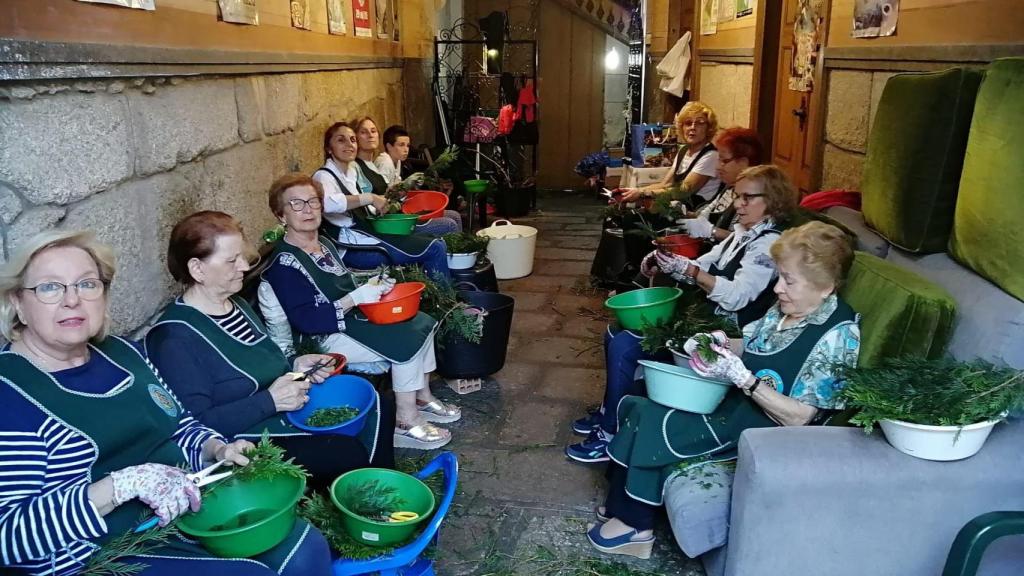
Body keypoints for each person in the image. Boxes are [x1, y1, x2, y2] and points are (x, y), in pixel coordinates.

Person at [0, 230, 331, 575]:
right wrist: (119, 486)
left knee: (302, 544)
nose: (72, 300)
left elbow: (180, 424)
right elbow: (7, 537)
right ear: (18, 304)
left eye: (87, 284)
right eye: (50, 287)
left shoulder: (124, 353)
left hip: (182, 510)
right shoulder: (10, 394)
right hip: (95, 557)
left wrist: (215, 449)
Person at [585, 221, 861, 559]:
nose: (777, 289)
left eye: (789, 280)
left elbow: (802, 418)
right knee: (642, 400)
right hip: (739, 403)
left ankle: (635, 526)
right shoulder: (788, 307)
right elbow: (752, 342)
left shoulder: (838, 335)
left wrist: (744, 379)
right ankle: (621, 505)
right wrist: (721, 343)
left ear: (826, 287)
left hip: (767, 429)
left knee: (657, 419)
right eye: (779, 277)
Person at [146, 211, 396, 492]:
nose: (243, 266)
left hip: (280, 406)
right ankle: (367, 503)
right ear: (197, 269)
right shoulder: (174, 337)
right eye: (231, 260)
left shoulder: (236, 304)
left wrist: (296, 365)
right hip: (238, 441)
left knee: (379, 402)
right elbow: (196, 423)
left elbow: (263, 360)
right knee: (342, 452)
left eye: (242, 256)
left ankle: (382, 494)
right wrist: (270, 401)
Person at [567, 165, 798, 464]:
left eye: (746, 198)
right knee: (615, 333)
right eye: (736, 197)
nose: (737, 204)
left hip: (726, 337)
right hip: (703, 319)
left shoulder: (768, 245)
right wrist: (668, 261)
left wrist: (688, 270)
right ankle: (609, 411)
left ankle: (611, 434)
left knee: (626, 346)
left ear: (773, 200)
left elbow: (737, 296)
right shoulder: (742, 233)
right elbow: (705, 262)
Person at [261, 173, 461, 450]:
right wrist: (355, 299)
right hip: (321, 338)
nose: (307, 209)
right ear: (281, 215)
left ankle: (422, 396)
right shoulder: (285, 264)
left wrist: (371, 284)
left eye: (313, 201)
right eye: (296, 204)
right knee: (403, 338)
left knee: (420, 320)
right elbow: (307, 320)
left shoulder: (325, 244)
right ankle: (405, 421)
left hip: (348, 319)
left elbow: (342, 282)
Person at [314, 121, 450, 276]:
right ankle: (446, 299)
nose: (349, 144)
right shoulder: (323, 176)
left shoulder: (350, 174)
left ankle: (437, 295)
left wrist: (382, 204)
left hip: (367, 234)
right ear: (328, 148)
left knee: (434, 240)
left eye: (352, 140)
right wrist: (370, 198)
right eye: (341, 140)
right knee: (435, 247)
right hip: (352, 247)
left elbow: (363, 209)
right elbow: (328, 204)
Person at [356, 118, 460, 236]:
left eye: (373, 131)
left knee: (455, 216)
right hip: (391, 222)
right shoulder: (377, 163)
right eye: (363, 132)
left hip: (397, 213)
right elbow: (383, 200)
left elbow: (391, 194)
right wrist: (404, 186)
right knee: (449, 224)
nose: (370, 135)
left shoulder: (380, 164)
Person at [619, 101, 722, 207]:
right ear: (682, 127)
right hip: (679, 207)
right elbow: (666, 184)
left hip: (697, 214)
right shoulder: (683, 151)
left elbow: (684, 191)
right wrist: (634, 191)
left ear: (708, 128)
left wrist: (642, 193)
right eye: (688, 123)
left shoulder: (711, 156)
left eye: (700, 123)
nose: (692, 127)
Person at [677, 126, 764, 243]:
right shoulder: (729, 188)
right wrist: (682, 213)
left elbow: (747, 241)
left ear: (744, 163)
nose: (717, 167)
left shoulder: (756, 198)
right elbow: (703, 216)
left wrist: (712, 231)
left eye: (724, 161)